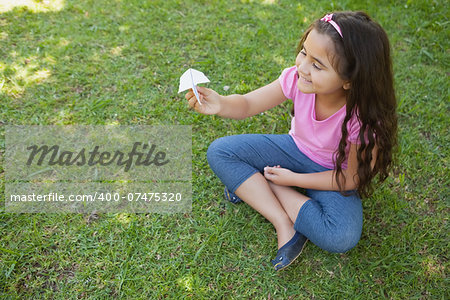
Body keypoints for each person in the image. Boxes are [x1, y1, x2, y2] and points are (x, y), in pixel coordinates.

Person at [185, 11, 397, 271]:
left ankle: (263, 185)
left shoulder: (363, 119)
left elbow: (351, 179)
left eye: (317, 65)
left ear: (349, 81)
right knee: (220, 152)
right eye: (304, 52)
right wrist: (221, 104)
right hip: (293, 149)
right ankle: (282, 222)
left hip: (332, 173)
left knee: (341, 236)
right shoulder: (296, 79)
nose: (303, 67)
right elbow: (249, 103)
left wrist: (291, 181)